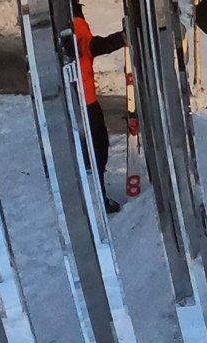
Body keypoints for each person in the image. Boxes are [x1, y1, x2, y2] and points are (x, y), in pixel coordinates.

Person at [69, 2, 126, 213]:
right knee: (96, 150)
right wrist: (121, 38)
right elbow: (91, 46)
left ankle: (88, 198)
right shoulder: (75, 24)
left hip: (70, 101)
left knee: (82, 151)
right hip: (85, 102)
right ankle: (98, 199)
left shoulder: (54, 26)